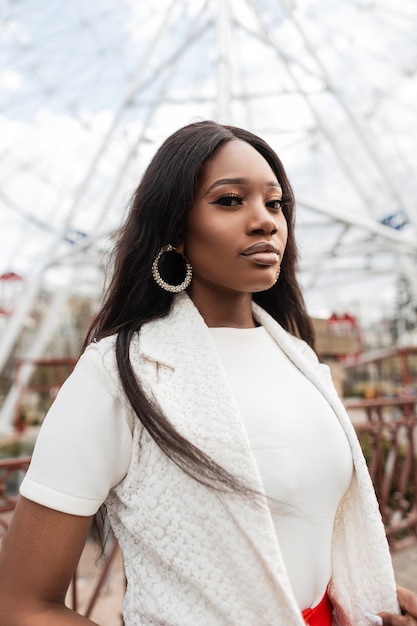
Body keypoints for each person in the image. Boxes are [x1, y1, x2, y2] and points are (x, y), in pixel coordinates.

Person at [0, 120, 415, 626]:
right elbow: (22, 605)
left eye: (275, 202)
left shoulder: (301, 362)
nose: (265, 221)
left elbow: (297, 537)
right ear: (175, 229)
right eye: (229, 200)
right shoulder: (118, 376)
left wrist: (369, 594)